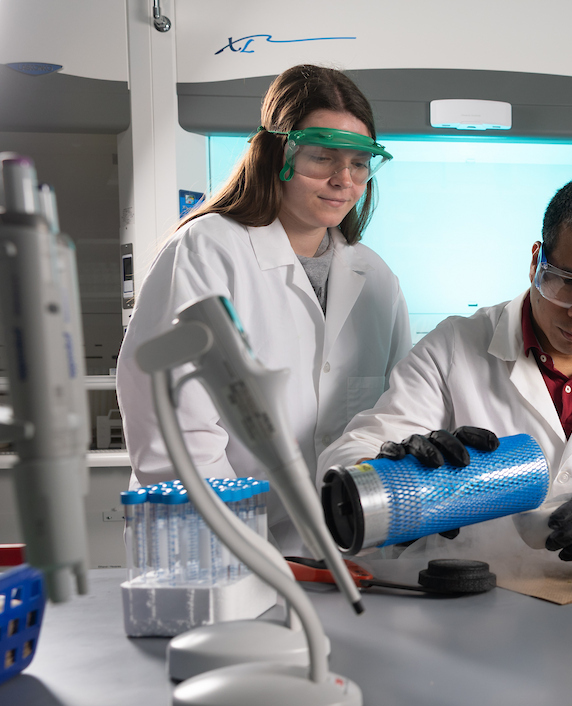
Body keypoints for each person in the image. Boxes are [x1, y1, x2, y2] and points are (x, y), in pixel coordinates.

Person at [317, 173, 572, 566]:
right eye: (568, 282)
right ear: (537, 260)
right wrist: (395, 464)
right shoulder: (452, 347)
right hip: (470, 599)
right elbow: (352, 455)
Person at [116, 64, 411, 553]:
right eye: (322, 156)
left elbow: (397, 414)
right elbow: (174, 429)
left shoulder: (374, 277)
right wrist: (249, 549)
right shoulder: (207, 249)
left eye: (359, 163)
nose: (344, 180)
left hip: (345, 551)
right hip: (216, 548)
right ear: (277, 152)